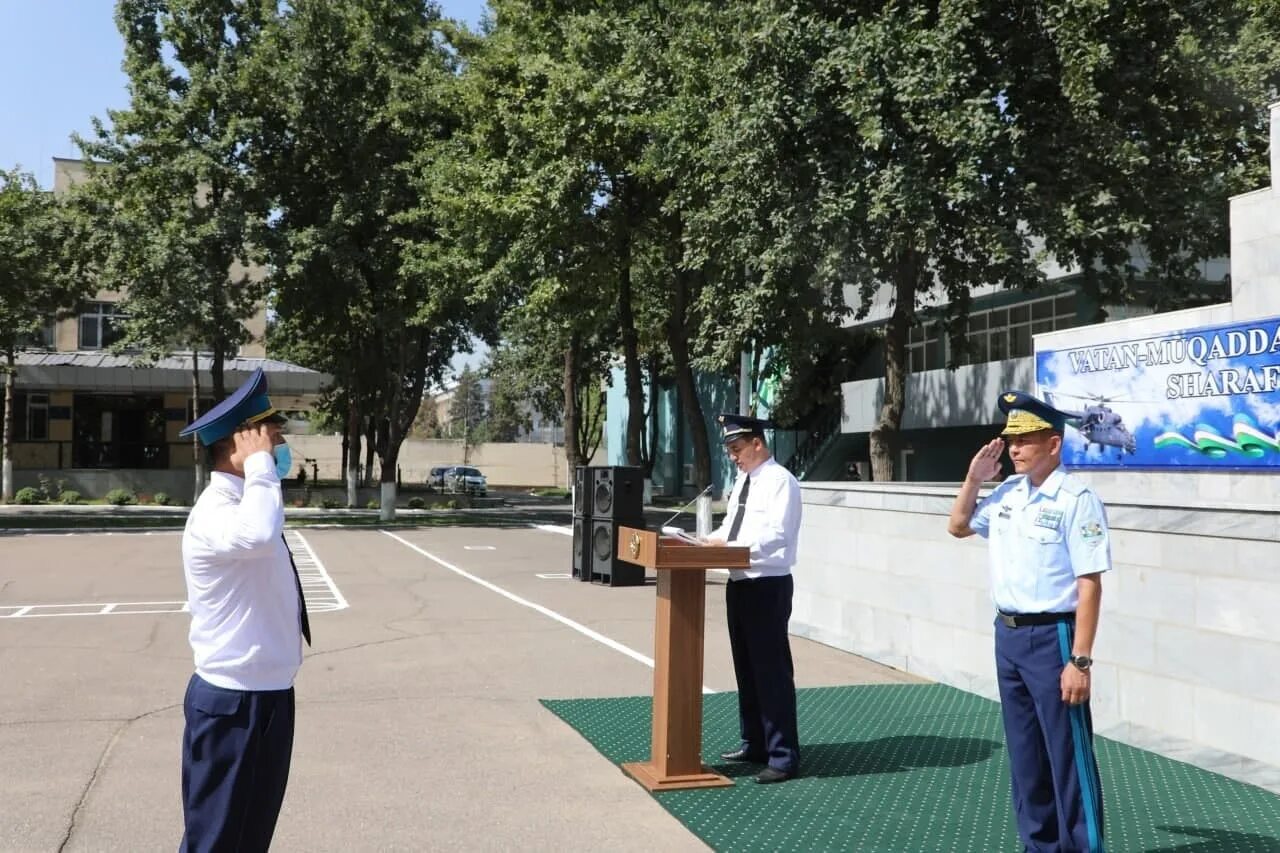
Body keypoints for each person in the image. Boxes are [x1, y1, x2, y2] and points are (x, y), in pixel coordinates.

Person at [947, 390, 1111, 852]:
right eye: (1011, 440)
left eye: (1026, 440)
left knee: (1067, 756)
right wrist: (973, 478)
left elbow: (1090, 584)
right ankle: (1039, 845)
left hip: (1054, 637)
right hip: (1010, 636)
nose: (1014, 448)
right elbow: (958, 526)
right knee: (1025, 756)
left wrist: (1080, 659)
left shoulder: (1077, 498)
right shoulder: (1006, 494)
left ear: (1054, 444)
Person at [177, 368, 311, 852]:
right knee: (215, 840)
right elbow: (255, 535)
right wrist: (258, 468)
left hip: (270, 696)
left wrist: (259, 474)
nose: (278, 448)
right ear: (240, 442)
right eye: (270, 438)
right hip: (233, 704)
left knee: (250, 839)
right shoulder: (217, 511)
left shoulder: (252, 501)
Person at [704, 413, 802, 784]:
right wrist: (707, 543)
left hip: (767, 585)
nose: (733, 457)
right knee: (746, 669)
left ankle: (783, 755)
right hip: (739, 581)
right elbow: (732, 528)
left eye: (737, 449)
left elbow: (777, 535)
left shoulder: (781, 482)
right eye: (730, 450)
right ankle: (756, 742)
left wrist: (729, 547)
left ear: (758, 443)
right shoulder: (744, 481)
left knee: (771, 672)